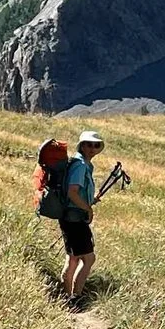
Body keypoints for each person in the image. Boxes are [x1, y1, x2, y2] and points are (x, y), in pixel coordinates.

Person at [59, 128, 104, 301]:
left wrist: (89, 200)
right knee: (88, 259)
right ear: (82, 146)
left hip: (71, 216)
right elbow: (72, 192)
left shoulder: (81, 163)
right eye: (89, 144)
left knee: (73, 259)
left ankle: (66, 297)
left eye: (96, 145)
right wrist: (88, 209)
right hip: (75, 218)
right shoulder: (80, 166)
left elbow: (77, 193)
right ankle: (74, 298)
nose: (93, 148)